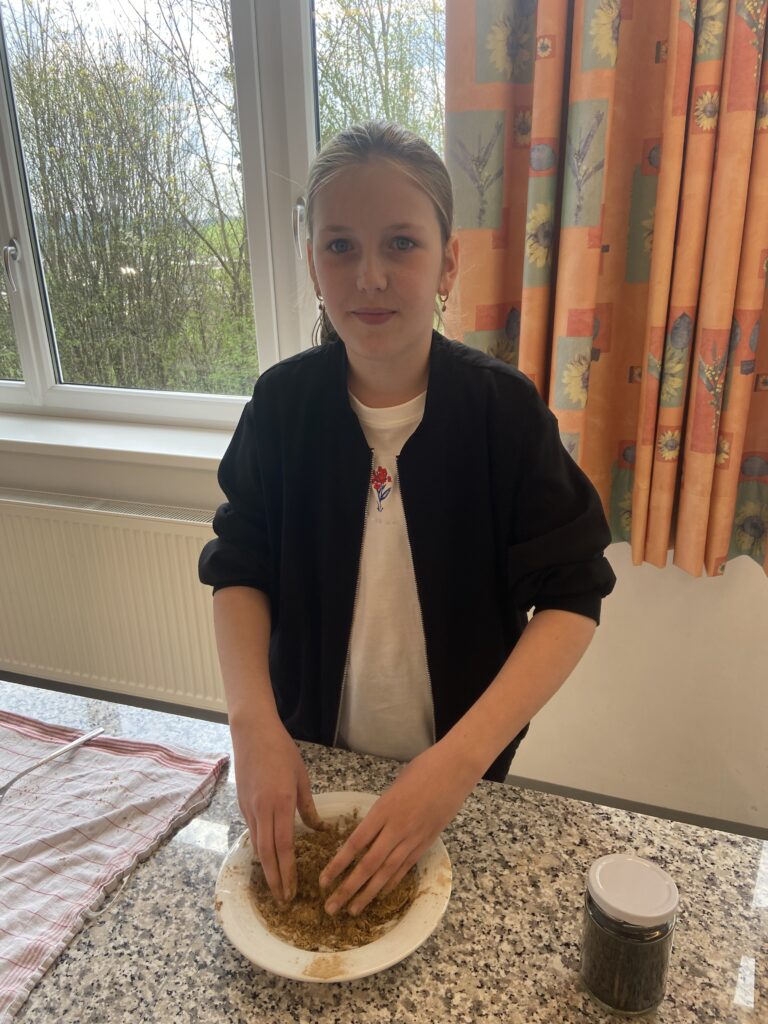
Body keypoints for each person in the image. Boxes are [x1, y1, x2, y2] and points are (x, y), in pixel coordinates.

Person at [199, 121, 616, 921]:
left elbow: (574, 595)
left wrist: (458, 764)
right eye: (340, 246)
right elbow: (239, 563)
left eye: (401, 243)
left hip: (460, 779)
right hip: (311, 766)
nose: (371, 276)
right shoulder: (282, 407)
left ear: (448, 262)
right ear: (313, 264)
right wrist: (251, 723)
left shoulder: (503, 413)